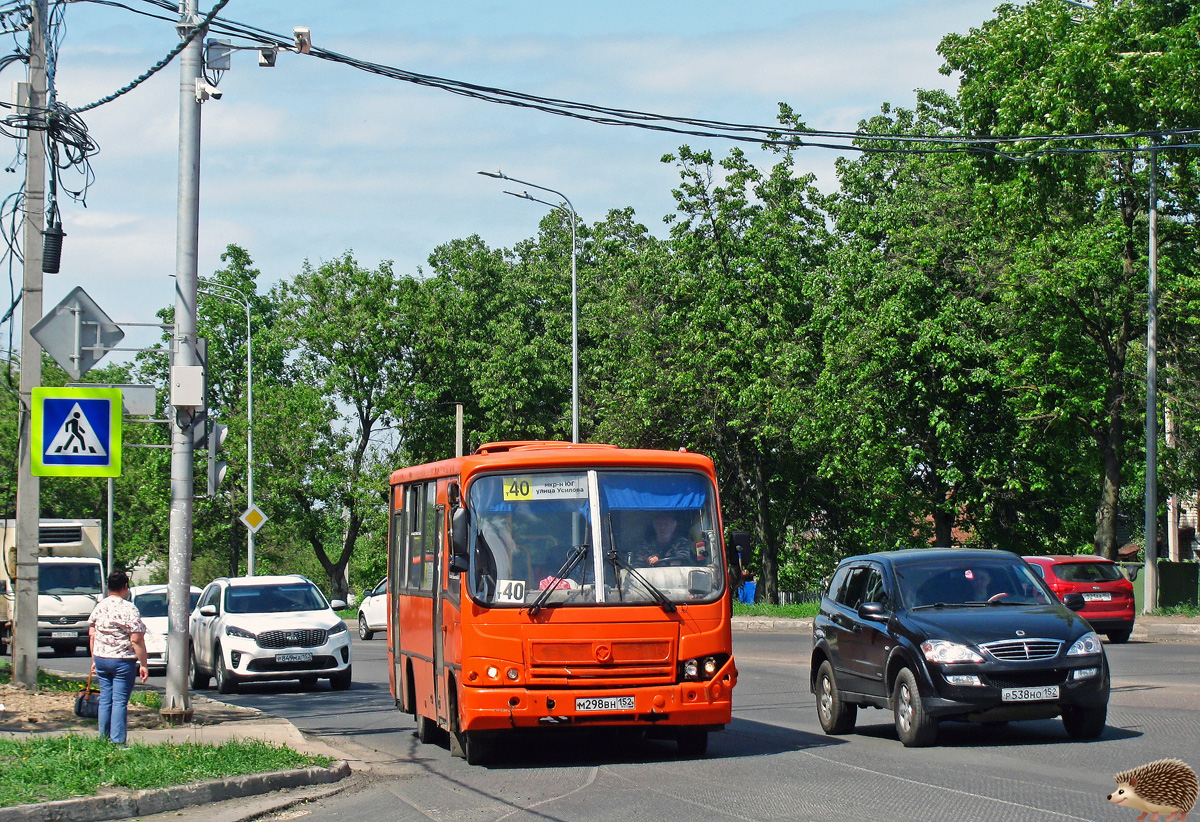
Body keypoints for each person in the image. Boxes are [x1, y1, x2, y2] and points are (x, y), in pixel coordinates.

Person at [87, 571, 149, 744]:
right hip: (122, 660)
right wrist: (143, 664)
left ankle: (103, 737)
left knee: (105, 699)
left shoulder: (100, 606)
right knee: (120, 701)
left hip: (101, 658)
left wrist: (94, 659)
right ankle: (118, 740)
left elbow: (92, 633)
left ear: (108, 587)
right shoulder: (129, 608)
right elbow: (136, 639)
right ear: (125, 587)